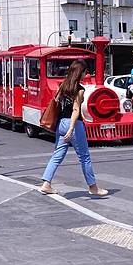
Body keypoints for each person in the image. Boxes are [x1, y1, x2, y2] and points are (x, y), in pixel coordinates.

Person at [40, 59, 108, 197]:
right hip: (74, 124)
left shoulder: (63, 86)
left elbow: (57, 101)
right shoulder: (80, 89)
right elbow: (76, 110)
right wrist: (71, 128)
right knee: (84, 157)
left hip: (61, 123)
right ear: (80, 73)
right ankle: (93, 187)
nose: (86, 74)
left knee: (57, 155)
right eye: (85, 72)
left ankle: (46, 183)